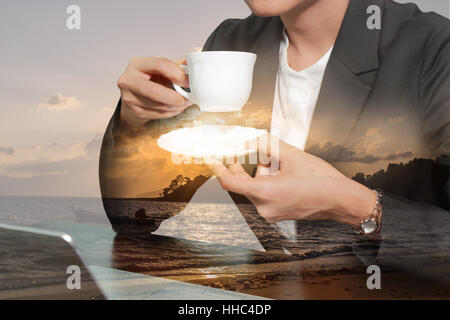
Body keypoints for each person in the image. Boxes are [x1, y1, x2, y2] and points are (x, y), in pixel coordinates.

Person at [100, 0, 449, 261]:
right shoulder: (232, 42)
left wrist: (353, 206)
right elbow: (134, 216)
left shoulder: (435, 50)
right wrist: (135, 121)